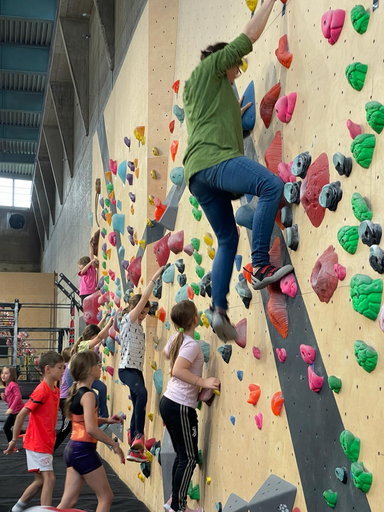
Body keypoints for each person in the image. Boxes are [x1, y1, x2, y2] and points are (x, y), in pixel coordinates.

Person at [183, 0, 293, 342]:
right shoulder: (212, 67)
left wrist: (236, 115)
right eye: (236, 70)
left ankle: (218, 309)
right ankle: (260, 264)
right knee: (271, 185)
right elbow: (248, 35)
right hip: (213, 162)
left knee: (228, 238)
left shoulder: (197, 93)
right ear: (223, 62)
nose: (236, 75)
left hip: (198, 176)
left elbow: (218, 122)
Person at [160, 300, 220, 512]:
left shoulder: (178, 339)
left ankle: (173, 501)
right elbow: (177, 370)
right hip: (179, 405)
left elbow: (167, 353)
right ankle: (178, 506)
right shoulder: (191, 345)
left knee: (182, 455)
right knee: (189, 457)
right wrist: (203, 382)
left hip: (171, 402)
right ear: (195, 319)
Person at [56, 350, 125, 511]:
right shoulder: (89, 395)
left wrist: (107, 420)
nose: (100, 367)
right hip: (83, 451)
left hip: (73, 449)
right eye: (97, 364)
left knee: (67, 503)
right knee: (106, 497)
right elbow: (91, 429)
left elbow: (82, 421)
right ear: (89, 369)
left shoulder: (77, 391)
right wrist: (114, 445)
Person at [4, 351, 65, 511]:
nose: (63, 371)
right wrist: (13, 440)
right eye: (60, 367)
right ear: (47, 369)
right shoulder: (42, 390)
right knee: (49, 478)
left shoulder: (55, 390)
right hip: (37, 442)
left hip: (45, 442)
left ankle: (16, 509)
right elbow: (21, 415)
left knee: (40, 481)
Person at [118, 266, 164, 463]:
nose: (143, 317)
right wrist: (155, 277)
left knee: (139, 403)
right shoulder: (129, 320)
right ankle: (137, 436)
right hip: (126, 369)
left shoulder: (137, 325)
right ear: (133, 309)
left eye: (145, 314)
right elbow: (144, 298)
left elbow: (147, 306)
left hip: (136, 370)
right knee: (143, 394)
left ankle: (133, 440)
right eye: (141, 313)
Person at [67, 317, 113, 418]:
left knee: (102, 388)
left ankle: (103, 416)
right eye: (95, 336)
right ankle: (88, 418)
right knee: (90, 396)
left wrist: (104, 318)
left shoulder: (88, 343)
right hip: (73, 375)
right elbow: (100, 336)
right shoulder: (84, 344)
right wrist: (109, 324)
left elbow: (98, 330)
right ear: (92, 336)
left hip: (84, 374)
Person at [54, 347, 72, 452]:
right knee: (66, 426)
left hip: (66, 398)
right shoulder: (67, 368)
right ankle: (52, 446)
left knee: (70, 425)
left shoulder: (67, 367)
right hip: (65, 399)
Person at [1, 366, 24, 446]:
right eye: (2, 373)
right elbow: (11, 400)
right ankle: (12, 446)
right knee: (7, 428)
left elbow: (18, 396)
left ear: (11, 375)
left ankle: (33, 436)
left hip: (18, 411)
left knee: (12, 429)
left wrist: (11, 408)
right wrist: (5, 398)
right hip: (14, 411)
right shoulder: (7, 386)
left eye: (6, 373)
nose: (3, 375)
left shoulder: (13, 384)